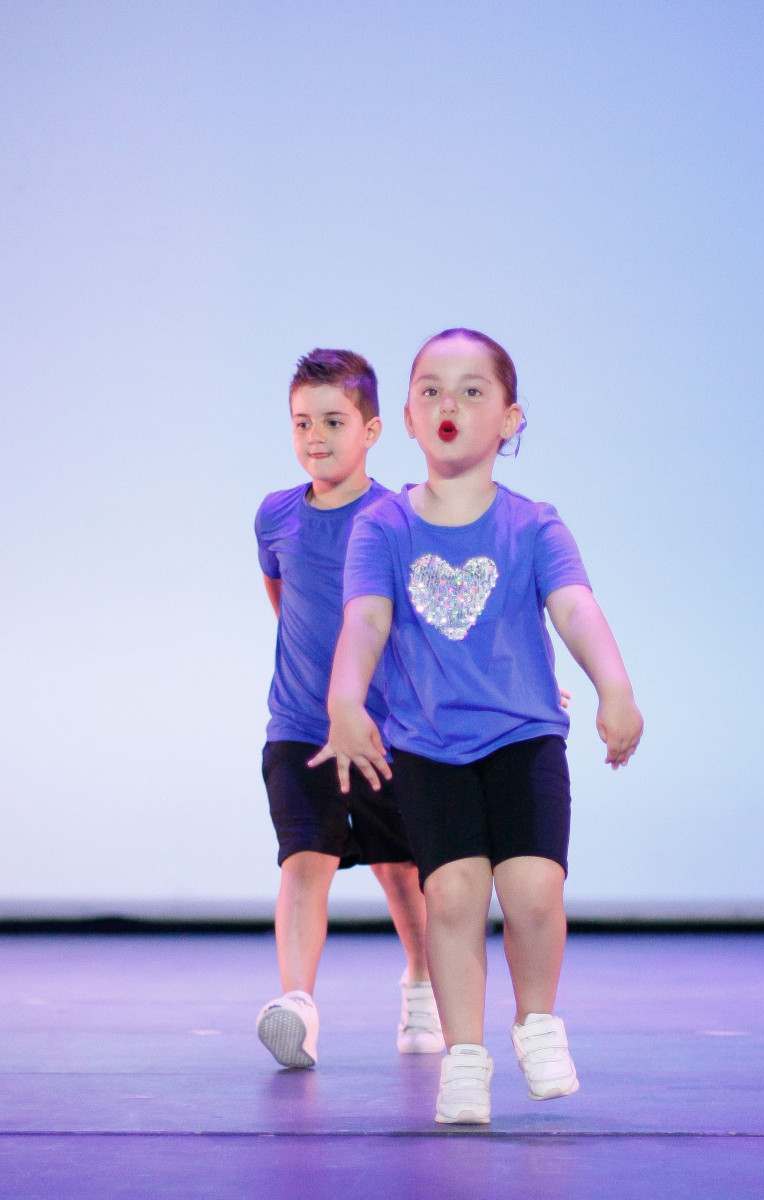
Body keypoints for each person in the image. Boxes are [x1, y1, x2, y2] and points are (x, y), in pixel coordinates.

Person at [310, 328, 643, 1122]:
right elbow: (365, 621)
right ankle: (465, 1055)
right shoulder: (384, 527)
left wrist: (615, 687)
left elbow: (575, 608)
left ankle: (537, 1022)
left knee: (534, 889)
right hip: (429, 746)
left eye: (471, 390)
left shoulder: (533, 524)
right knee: (453, 895)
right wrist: (345, 701)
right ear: (408, 418)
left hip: (525, 736)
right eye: (430, 390)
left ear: (509, 419)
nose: (447, 403)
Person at [254, 348, 444, 1070]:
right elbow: (284, 599)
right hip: (300, 727)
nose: (316, 436)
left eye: (334, 421)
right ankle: (297, 1005)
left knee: (401, 870)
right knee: (306, 860)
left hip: (387, 734)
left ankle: (422, 984)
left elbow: (431, 617)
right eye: (302, 422)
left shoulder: (400, 518)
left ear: (371, 430)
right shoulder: (275, 515)